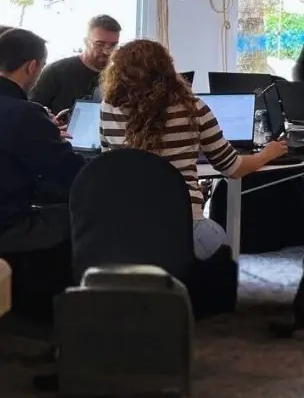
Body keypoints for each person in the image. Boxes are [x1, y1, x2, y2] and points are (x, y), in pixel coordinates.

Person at [99, 40, 287, 259]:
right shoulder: (193, 107)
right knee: (219, 245)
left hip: (123, 228)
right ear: (167, 69)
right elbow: (233, 168)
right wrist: (267, 153)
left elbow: (108, 165)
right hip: (183, 227)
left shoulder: (107, 108)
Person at [0, 28, 84, 262]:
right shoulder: (25, 114)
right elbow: (69, 173)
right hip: (9, 226)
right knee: (91, 213)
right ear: (31, 66)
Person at [29, 14, 121, 117]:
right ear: (86, 42)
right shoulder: (56, 71)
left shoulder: (120, 76)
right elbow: (32, 111)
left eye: (113, 45)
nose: (107, 51)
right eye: (100, 45)